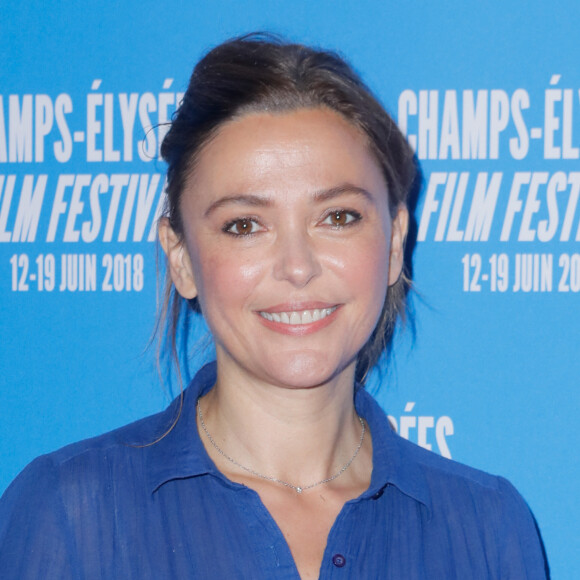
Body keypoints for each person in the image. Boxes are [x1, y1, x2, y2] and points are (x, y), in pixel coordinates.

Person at [0, 34, 548, 579]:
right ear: (182, 258)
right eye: (244, 225)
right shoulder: (71, 515)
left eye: (338, 217)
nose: (297, 265)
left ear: (395, 241)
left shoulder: (486, 527)